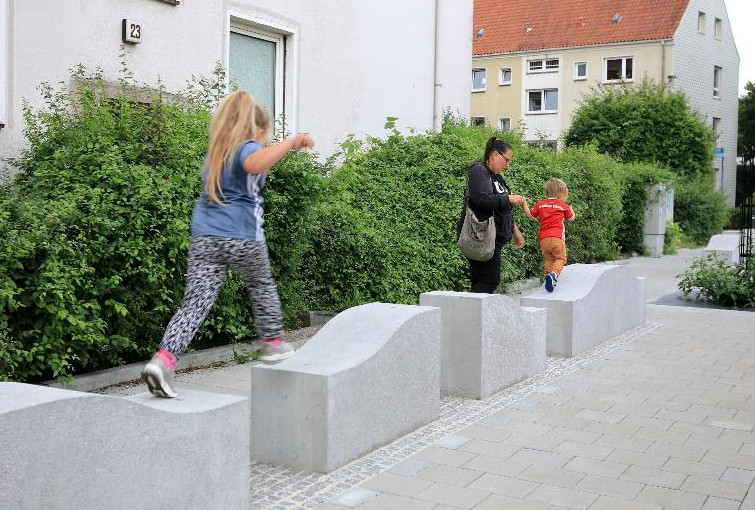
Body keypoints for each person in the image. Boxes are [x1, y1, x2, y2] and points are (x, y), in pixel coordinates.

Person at [141, 90, 314, 398]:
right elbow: (254, 163)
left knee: (195, 303)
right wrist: (291, 142)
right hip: (241, 236)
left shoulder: (217, 152)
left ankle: (163, 360)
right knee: (261, 284)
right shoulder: (247, 147)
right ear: (257, 130)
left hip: (206, 238)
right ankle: (273, 343)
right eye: (266, 136)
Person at [457, 136, 526, 293]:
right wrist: (509, 197)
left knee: (481, 279)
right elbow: (483, 200)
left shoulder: (497, 178)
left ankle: (472, 314)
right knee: (489, 280)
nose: (507, 164)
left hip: (493, 240)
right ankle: (470, 315)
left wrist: (515, 232)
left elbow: (504, 208)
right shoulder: (479, 171)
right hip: (480, 237)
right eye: (506, 160)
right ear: (495, 154)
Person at [522, 177, 575, 292]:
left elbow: (529, 214)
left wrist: (524, 203)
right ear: (560, 196)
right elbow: (571, 218)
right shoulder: (562, 205)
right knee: (560, 258)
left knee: (548, 259)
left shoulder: (540, 205)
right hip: (557, 238)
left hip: (544, 240)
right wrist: (571, 209)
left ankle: (548, 278)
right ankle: (554, 275)